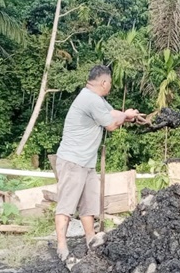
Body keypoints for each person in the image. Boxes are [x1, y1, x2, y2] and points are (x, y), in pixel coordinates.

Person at [54, 65, 139, 261]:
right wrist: (126, 115)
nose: (110, 86)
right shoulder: (89, 100)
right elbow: (110, 124)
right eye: (109, 83)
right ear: (103, 82)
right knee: (67, 205)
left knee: (89, 204)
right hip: (73, 161)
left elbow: (113, 114)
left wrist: (130, 117)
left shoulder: (97, 100)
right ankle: (61, 247)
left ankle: (91, 240)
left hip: (87, 163)